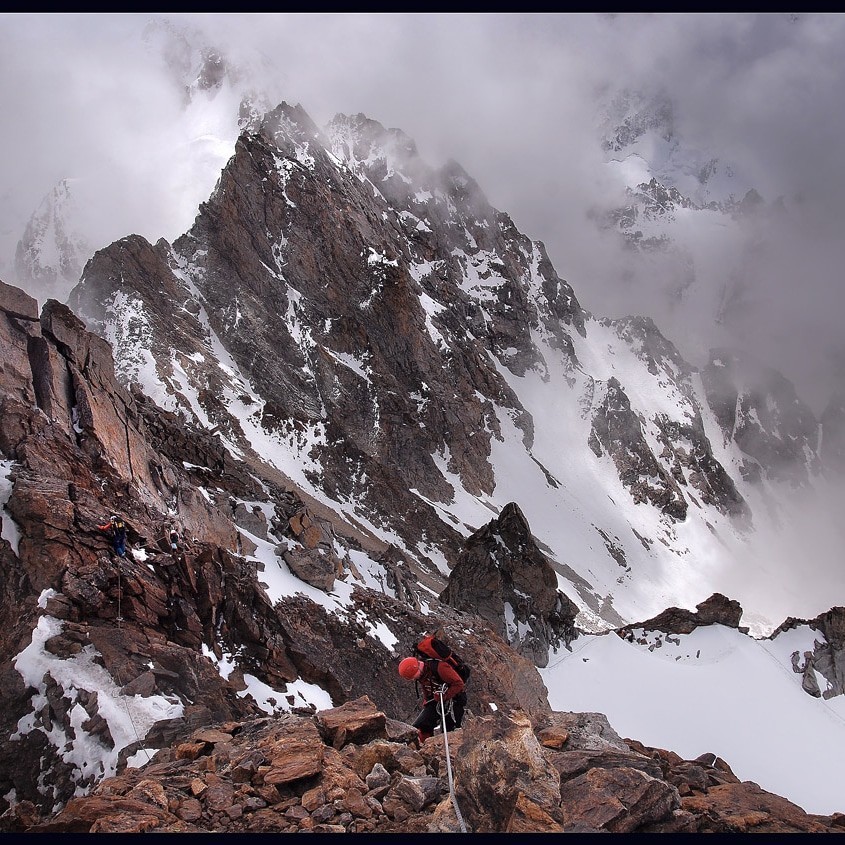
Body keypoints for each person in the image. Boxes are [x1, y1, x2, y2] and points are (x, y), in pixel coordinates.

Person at [398, 655, 467, 745]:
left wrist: (445, 695)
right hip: (437, 700)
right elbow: (427, 690)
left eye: (413, 676)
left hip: (454, 700)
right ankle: (424, 747)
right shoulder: (423, 674)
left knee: (450, 731)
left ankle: (454, 753)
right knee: (420, 726)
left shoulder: (440, 667)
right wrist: (427, 704)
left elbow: (458, 684)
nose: (414, 679)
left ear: (416, 669)